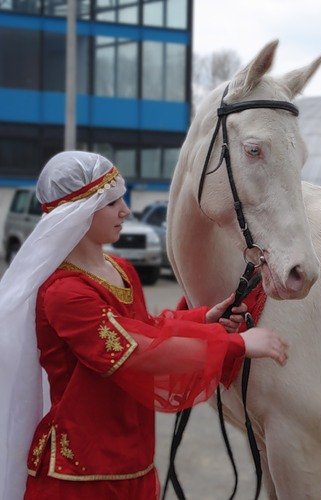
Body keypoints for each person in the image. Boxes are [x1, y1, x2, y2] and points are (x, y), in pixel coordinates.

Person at [0, 151, 288, 500]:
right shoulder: (65, 292)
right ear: (78, 211)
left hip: (133, 453)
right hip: (79, 472)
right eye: (111, 203)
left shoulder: (120, 269)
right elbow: (136, 353)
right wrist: (238, 345)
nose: (125, 210)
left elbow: (144, 327)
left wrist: (204, 319)